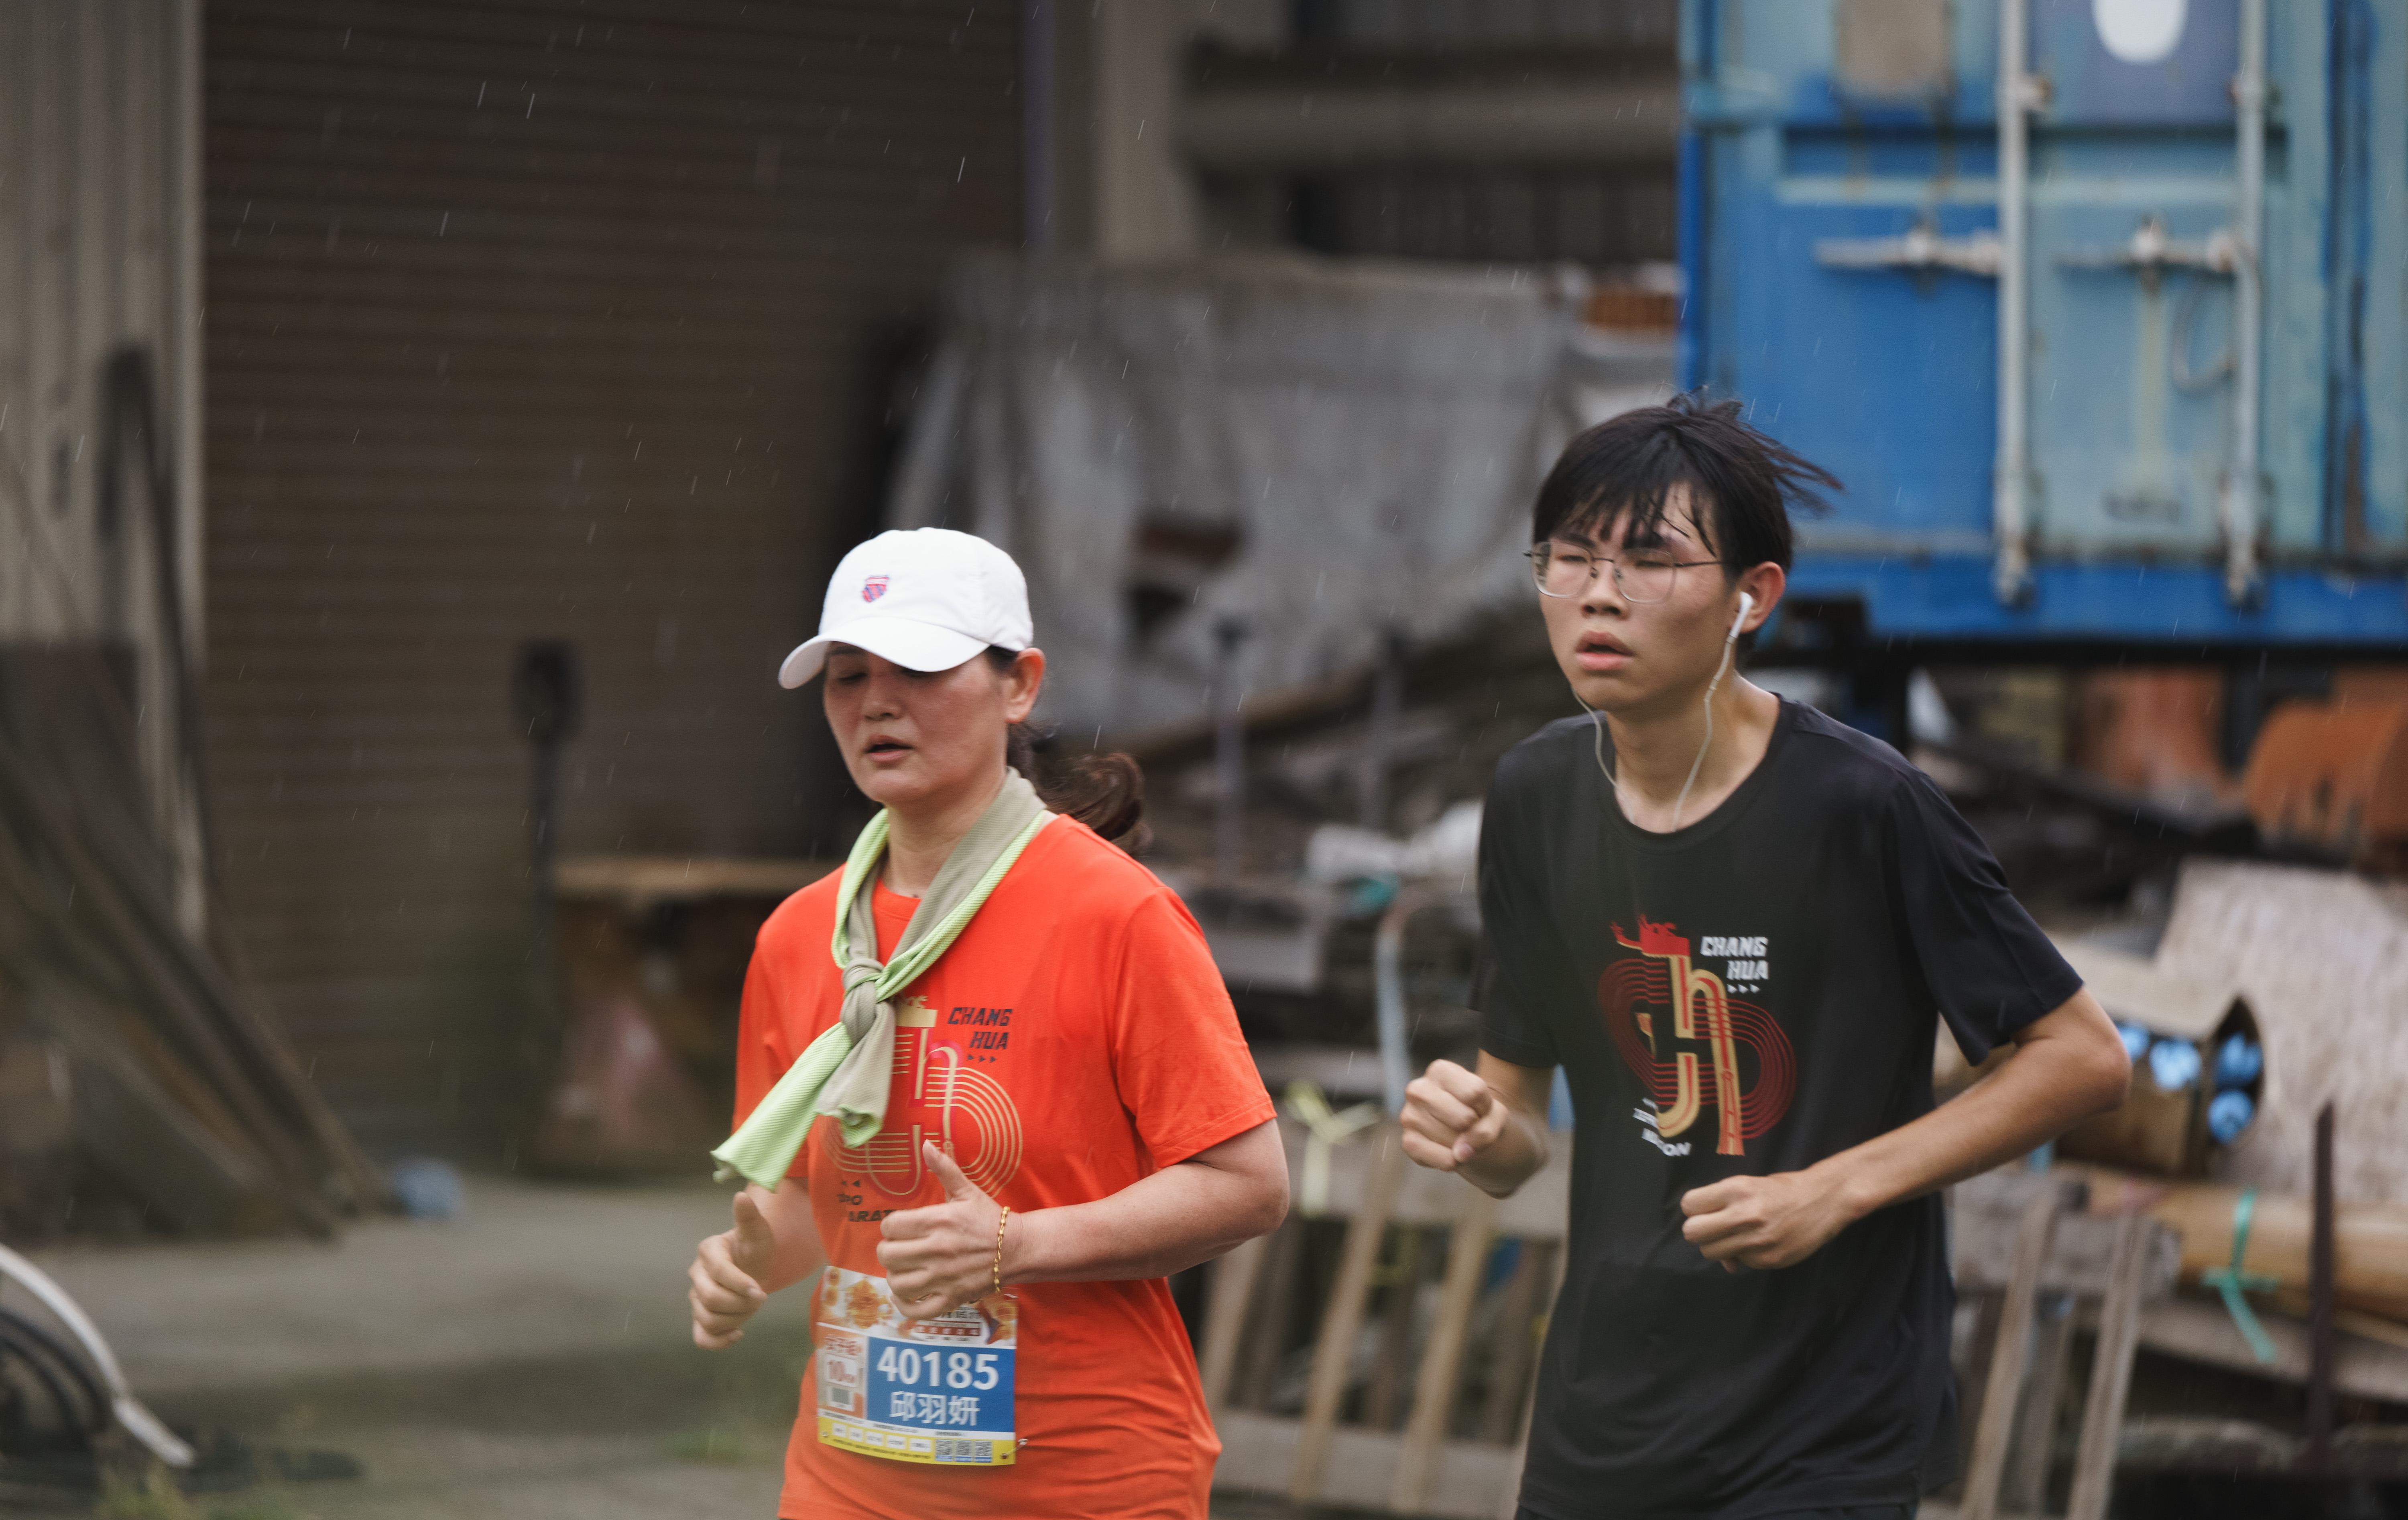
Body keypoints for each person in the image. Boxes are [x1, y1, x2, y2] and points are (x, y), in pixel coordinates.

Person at [1402, 395, 2132, 1520]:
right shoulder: (1537, 796)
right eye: (1572, 557)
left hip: (1823, 1425)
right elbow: (1519, 1139)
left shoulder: (1866, 805)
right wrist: (1480, 1131)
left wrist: (1834, 1189)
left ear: (1756, 596)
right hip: (1608, 1411)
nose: (1600, 593)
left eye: (1651, 560)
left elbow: (2082, 1057)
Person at [687, 526, 1287, 1520]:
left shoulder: (1116, 914)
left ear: (1021, 685)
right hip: (850, 1477)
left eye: (919, 668)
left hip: (1087, 1481)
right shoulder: (800, 937)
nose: (877, 702)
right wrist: (747, 1260)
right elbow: (814, 1204)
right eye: (848, 675)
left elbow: (1249, 1186)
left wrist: (1019, 1242)